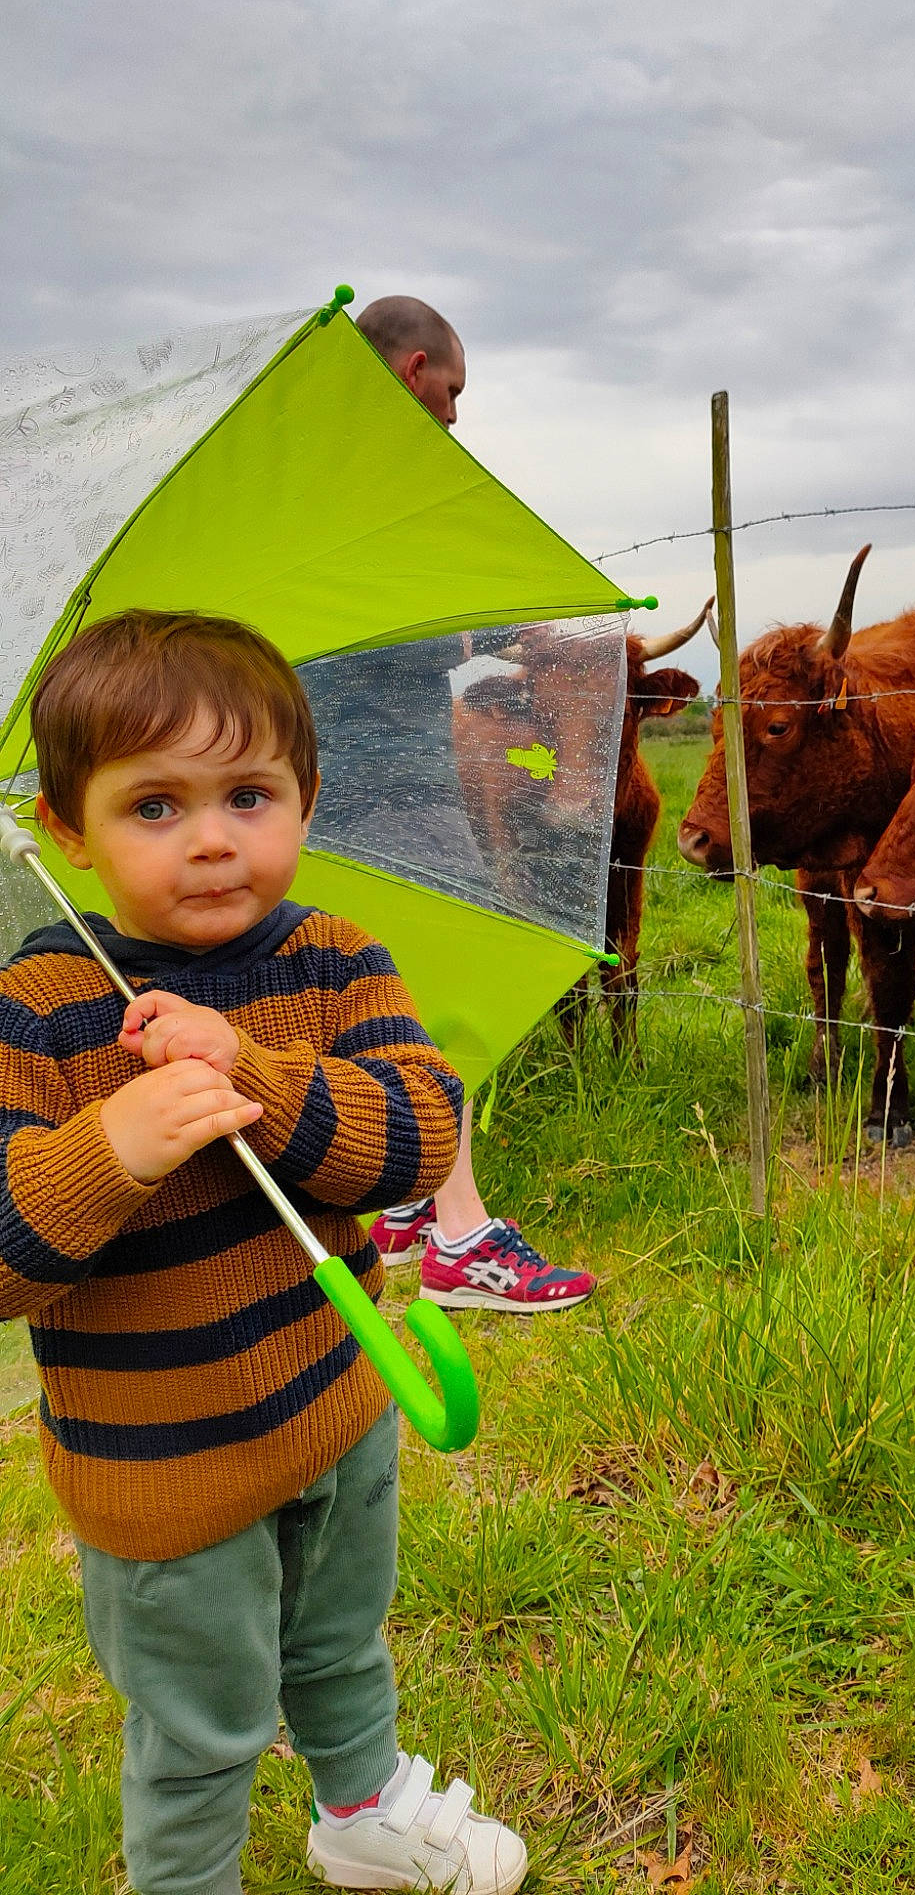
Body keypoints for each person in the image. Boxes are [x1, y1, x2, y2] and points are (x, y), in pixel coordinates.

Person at [0, 611, 526, 1894]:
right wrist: (113, 1145)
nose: (213, 837)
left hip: (342, 1406)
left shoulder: (335, 959)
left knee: (343, 1642)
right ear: (66, 830)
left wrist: (261, 1074)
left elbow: (420, 1133)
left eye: (248, 793)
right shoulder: (41, 1008)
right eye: (154, 805)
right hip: (166, 1472)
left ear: (308, 796)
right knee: (201, 1726)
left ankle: (362, 1809)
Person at [354, 296, 594, 1314]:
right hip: (390, 780)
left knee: (372, 982)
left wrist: (495, 637)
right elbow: (409, 616)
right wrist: (521, 631)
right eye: (451, 391)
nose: (454, 416)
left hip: (336, 779)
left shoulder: (321, 469)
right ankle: (463, 1238)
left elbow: (394, 614)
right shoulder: (382, 480)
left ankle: (408, 1199)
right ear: (416, 370)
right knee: (437, 992)